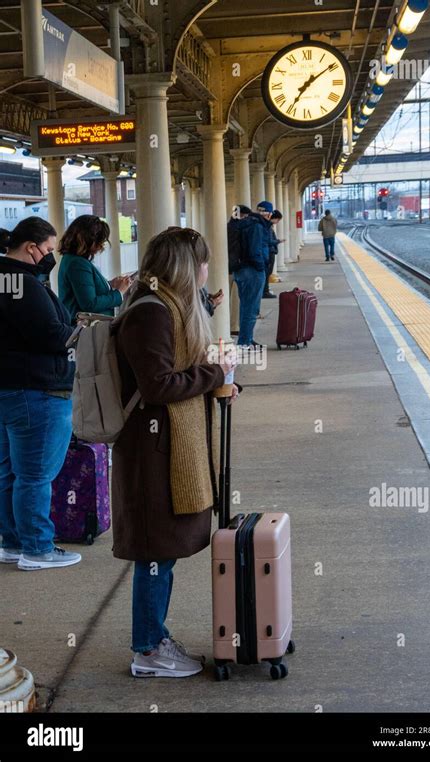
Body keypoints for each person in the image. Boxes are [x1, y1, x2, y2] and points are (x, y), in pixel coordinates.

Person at [111, 227, 239, 679]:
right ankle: (147, 649)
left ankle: (153, 638)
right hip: (151, 451)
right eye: (203, 262)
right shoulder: (152, 313)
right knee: (154, 550)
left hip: (159, 444)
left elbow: (173, 376)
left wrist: (217, 383)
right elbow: (158, 384)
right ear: (188, 265)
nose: (208, 270)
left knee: (160, 549)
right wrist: (212, 373)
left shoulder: (163, 306)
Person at [0, 218, 81, 571]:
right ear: (31, 247)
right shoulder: (25, 284)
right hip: (38, 389)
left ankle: (13, 542)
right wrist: (79, 332)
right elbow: (51, 335)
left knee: (9, 473)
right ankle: (37, 548)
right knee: (35, 475)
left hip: (8, 388)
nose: (50, 256)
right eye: (48, 249)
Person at [58, 215, 131, 321]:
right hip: (86, 330)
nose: (101, 246)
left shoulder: (72, 260)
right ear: (87, 240)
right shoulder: (78, 264)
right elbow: (89, 304)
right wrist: (119, 292)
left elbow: (86, 288)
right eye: (99, 241)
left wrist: (111, 284)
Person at [233, 201, 272, 347]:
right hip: (253, 271)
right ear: (267, 213)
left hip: (241, 270)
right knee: (251, 308)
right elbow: (255, 250)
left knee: (245, 306)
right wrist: (261, 267)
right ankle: (244, 342)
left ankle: (247, 338)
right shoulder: (257, 226)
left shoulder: (246, 223)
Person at [227, 204, 252, 335]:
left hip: (224, 266)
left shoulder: (227, 227)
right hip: (237, 266)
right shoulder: (241, 229)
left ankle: (225, 324)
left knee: (225, 297)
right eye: (245, 216)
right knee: (236, 298)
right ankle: (234, 325)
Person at [263, 209, 285, 299]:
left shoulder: (268, 226)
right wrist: (278, 241)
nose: (278, 222)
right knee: (267, 272)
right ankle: (265, 291)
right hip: (269, 252)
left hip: (269, 251)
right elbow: (268, 241)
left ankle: (265, 290)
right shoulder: (267, 227)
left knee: (267, 272)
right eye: (278, 220)